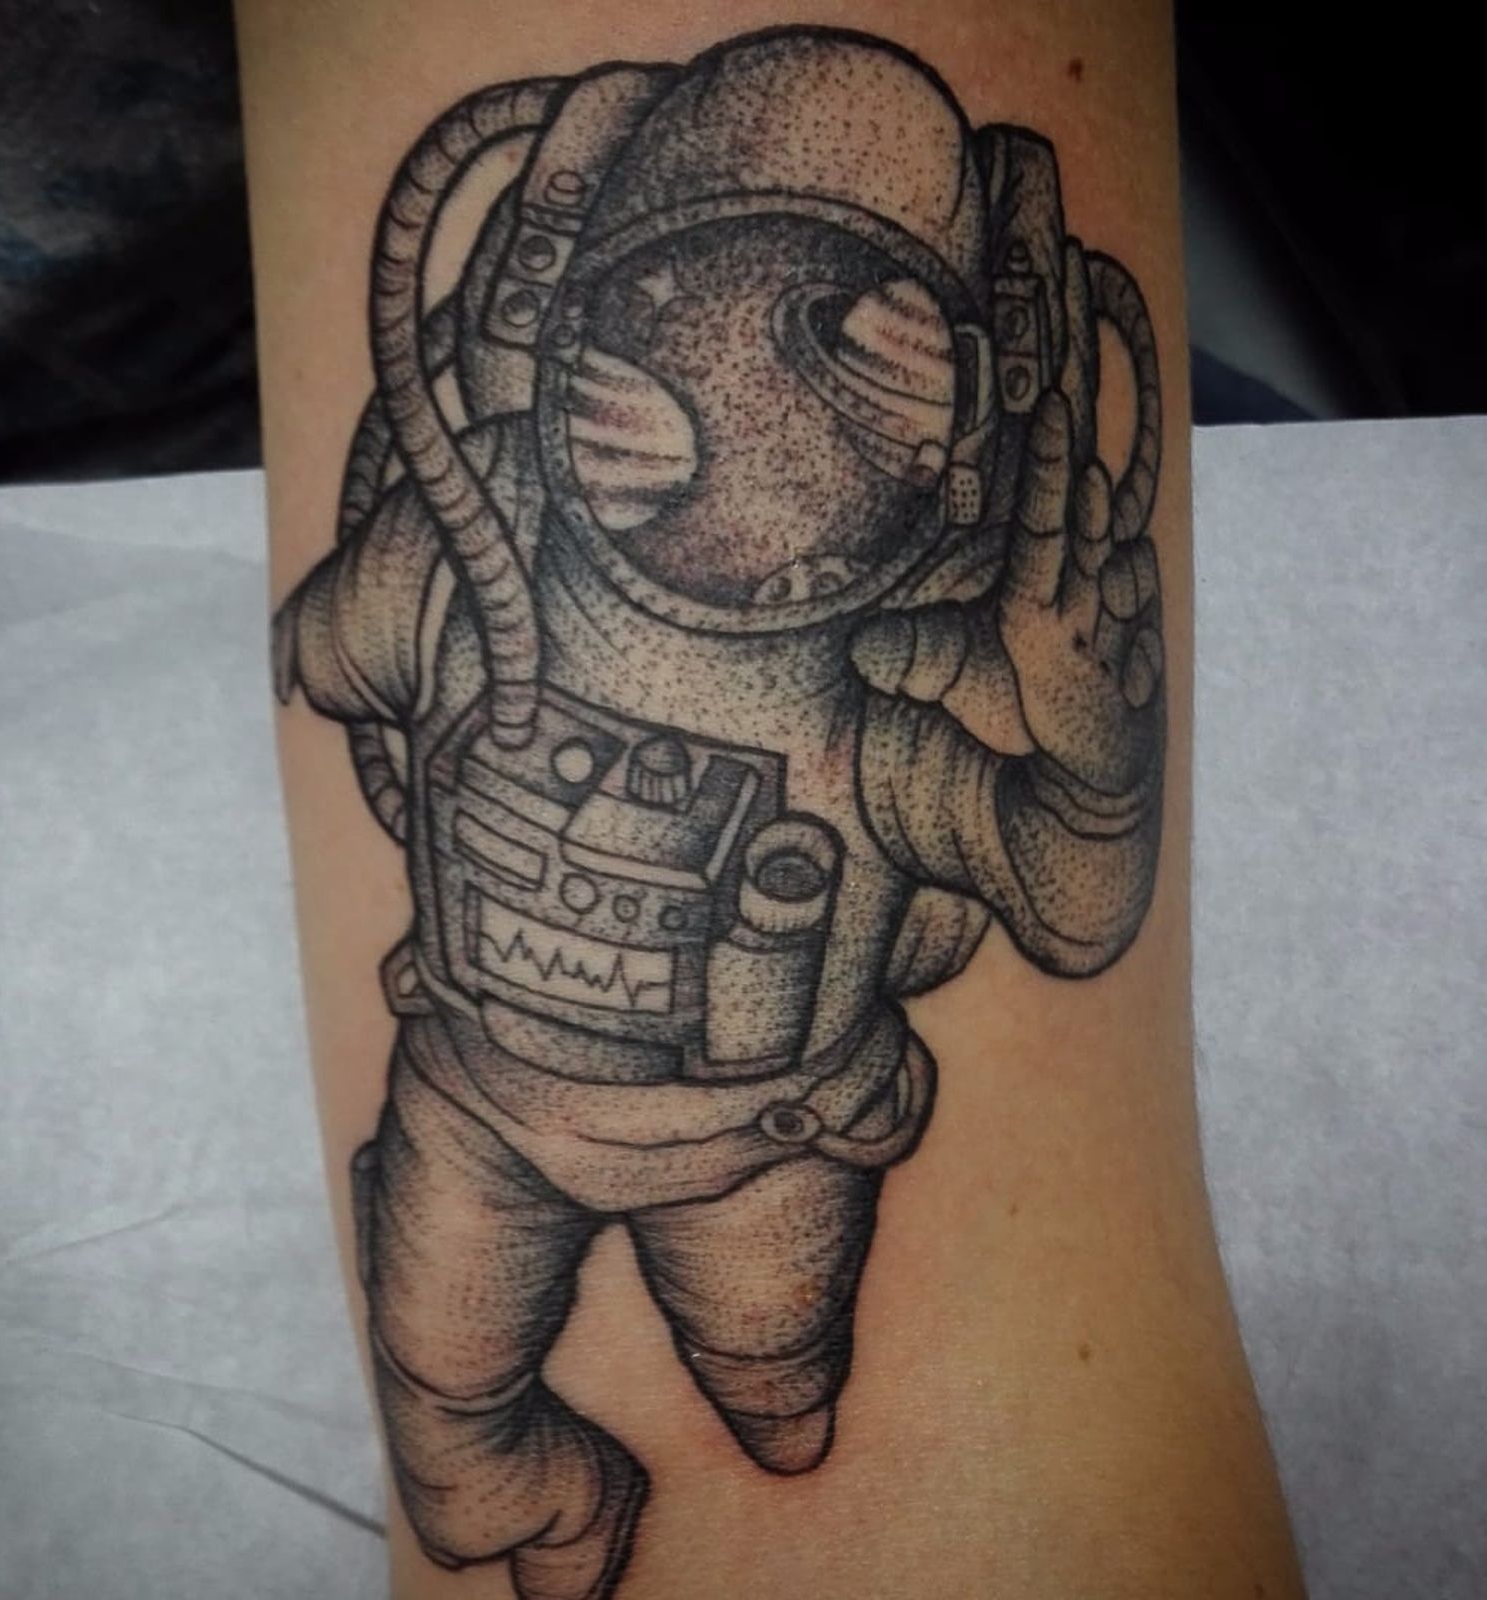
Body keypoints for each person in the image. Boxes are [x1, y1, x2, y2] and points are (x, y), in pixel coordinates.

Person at [239, 5, 1305, 1597]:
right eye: (672, 324)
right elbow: (325, 656)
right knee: (452, 1429)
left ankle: (771, 1399)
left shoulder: (892, 689)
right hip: (477, 1109)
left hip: (767, 1143)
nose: (749, 439)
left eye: (854, 373)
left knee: (777, 1376)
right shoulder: (473, 556)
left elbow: (1076, 909)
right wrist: (422, 549)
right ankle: (558, 1488)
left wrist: (1092, 754)